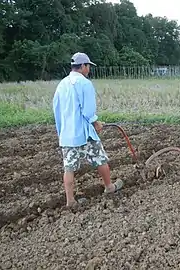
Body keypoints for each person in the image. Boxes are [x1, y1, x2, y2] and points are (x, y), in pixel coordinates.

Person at [53, 52, 123, 207]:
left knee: (69, 167)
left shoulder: (61, 85)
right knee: (100, 158)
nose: (89, 69)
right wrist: (95, 123)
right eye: (88, 66)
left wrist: (61, 133)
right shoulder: (85, 83)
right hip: (84, 133)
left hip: (67, 135)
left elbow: (57, 112)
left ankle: (70, 201)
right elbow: (88, 111)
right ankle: (109, 187)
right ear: (83, 66)